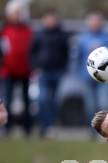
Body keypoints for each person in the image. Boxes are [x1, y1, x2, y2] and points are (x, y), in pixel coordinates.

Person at [73, 12, 108, 127]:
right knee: (90, 106)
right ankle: (92, 130)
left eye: (97, 21)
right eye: (93, 21)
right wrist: (79, 74)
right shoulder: (82, 39)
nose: (95, 24)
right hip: (87, 78)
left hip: (104, 78)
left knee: (104, 104)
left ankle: (105, 129)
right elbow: (77, 58)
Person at [31, 10, 69, 138]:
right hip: (43, 72)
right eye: (48, 19)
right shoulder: (39, 34)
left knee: (54, 101)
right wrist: (35, 67)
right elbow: (32, 52)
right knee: (42, 100)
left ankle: (50, 127)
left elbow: (66, 53)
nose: (51, 21)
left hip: (57, 73)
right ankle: (44, 126)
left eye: (53, 19)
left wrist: (63, 68)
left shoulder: (62, 35)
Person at [0, 1, 33, 136]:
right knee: (7, 99)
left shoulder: (28, 31)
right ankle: (6, 128)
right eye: (15, 13)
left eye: (19, 13)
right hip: (8, 71)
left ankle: (27, 129)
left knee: (26, 101)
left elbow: (32, 50)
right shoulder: (4, 31)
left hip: (25, 71)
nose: (17, 16)